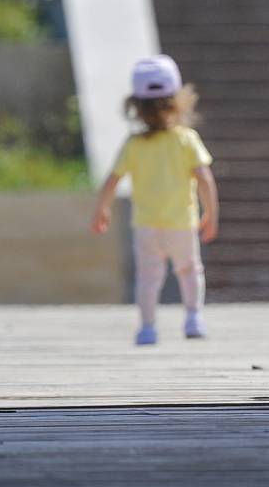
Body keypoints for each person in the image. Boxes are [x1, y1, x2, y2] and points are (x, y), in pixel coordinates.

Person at [90, 54, 219, 346]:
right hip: (181, 222)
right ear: (178, 101)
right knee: (188, 270)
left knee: (148, 278)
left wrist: (102, 209)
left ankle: (147, 328)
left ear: (135, 106)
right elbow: (204, 178)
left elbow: (112, 179)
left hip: (146, 224)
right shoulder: (186, 139)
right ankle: (193, 318)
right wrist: (211, 213)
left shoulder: (134, 144)